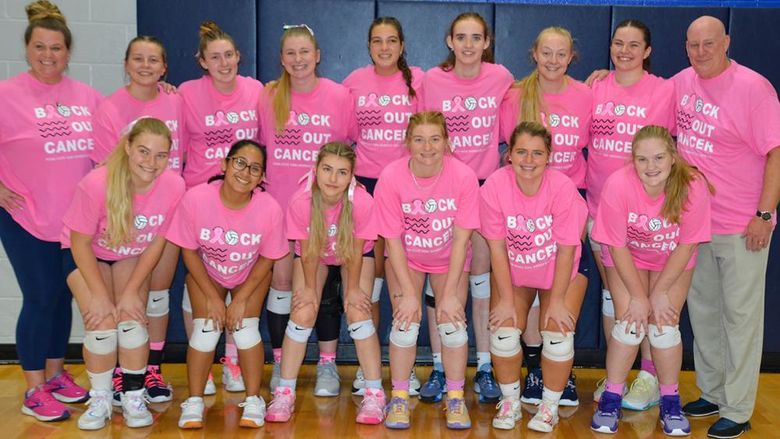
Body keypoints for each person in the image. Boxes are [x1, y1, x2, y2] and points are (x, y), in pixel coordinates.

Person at [673, 16, 780, 439]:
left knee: (740, 319)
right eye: (693, 45)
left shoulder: (754, 88)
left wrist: (765, 214)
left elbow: (776, 153)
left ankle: (737, 408)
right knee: (704, 314)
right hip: (697, 224)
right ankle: (713, 392)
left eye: (709, 44)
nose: (700, 53)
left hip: (743, 225)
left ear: (727, 42)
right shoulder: (682, 83)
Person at [0, 0, 102, 422]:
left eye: (56, 48)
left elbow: (124, 129)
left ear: (68, 51)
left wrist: (163, 91)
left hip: (73, 222)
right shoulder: (6, 96)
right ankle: (33, 388)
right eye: (40, 47)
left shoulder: (87, 97)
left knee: (63, 297)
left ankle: (57, 375)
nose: (48, 55)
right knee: (41, 297)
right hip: (25, 216)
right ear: (27, 49)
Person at [589, 125, 712, 436]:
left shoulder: (692, 186)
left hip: (671, 259)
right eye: (642, 160)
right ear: (632, 160)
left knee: (663, 327)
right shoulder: (619, 184)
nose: (651, 167)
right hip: (626, 257)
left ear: (673, 157)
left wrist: (657, 294)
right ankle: (612, 398)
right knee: (630, 324)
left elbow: (687, 245)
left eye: (658, 158)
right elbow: (615, 245)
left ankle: (670, 400)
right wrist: (638, 296)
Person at [62, 118, 184, 430]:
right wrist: (100, 297)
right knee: (101, 322)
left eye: (160, 155)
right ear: (128, 147)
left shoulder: (173, 185)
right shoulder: (97, 183)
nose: (151, 162)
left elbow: (157, 242)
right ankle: (101, 397)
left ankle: (133, 395)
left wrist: (131, 291)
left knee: (131, 318)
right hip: (85, 253)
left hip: (131, 254)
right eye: (143, 151)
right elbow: (80, 243)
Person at [419, 11, 512, 404]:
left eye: (477, 37)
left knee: (478, 284)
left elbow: (540, 86)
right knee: (439, 282)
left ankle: (485, 364)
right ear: (450, 42)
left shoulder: (501, 77)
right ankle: (440, 368)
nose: (469, 45)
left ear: (487, 42)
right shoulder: (431, 80)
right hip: (442, 187)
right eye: (462, 37)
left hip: (484, 187)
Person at [499, 25, 592, 408]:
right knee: (527, 285)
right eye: (547, 52)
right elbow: (514, 149)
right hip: (524, 199)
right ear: (534, 54)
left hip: (569, 199)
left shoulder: (587, 93)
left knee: (562, 288)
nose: (554, 60)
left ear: (572, 57)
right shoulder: (516, 95)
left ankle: (559, 374)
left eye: (562, 53)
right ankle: (534, 368)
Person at [259, 24, 354, 395]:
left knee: (326, 290)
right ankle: (284, 359)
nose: (298, 60)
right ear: (282, 59)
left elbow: (350, 148)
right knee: (284, 287)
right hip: (281, 210)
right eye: (290, 53)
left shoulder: (339, 96)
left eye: (304, 52)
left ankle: (328, 365)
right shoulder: (267, 97)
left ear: (317, 55)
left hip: (325, 209)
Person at [587, 20, 676, 411]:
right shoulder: (595, 87)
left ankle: (651, 376)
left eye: (634, 44)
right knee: (616, 298)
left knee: (652, 303)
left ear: (648, 50)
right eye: (618, 43)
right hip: (600, 210)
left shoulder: (664, 90)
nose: (625, 50)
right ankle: (617, 374)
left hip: (651, 218)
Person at [90, 35, 183, 405]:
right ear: (126, 64)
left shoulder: (175, 101)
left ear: (164, 68)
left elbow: (184, 155)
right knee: (129, 300)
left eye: (153, 60)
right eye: (138, 59)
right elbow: (103, 167)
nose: (146, 66)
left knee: (158, 295)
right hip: (128, 217)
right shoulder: (110, 108)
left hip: (168, 212)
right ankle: (120, 373)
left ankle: (152, 370)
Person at [168, 140, 287, 429]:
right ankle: (195, 400)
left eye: (255, 168)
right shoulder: (196, 199)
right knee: (206, 330)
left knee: (245, 330)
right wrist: (214, 298)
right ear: (224, 164)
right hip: (207, 273)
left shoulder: (269, 208)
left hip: (250, 274)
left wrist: (240, 299)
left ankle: (254, 399)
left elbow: (267, 260)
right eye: (239, 163)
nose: (245, 172)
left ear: (261, 178)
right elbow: (189, 252)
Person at [265, 142, 384, 425]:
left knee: (358, 311)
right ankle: (285, 392)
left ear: (352, 176)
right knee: (304, 310)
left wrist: (353, 289)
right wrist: (307, 288)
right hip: (315, 254)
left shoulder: (362, 202)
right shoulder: (300, 202)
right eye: (327, 169)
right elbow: (307, 252)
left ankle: (375, 394)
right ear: (315, 170)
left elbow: (356, 252)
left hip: (352, 253)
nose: (333, 178)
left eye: (342, 172)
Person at [375, 111, 480, 430]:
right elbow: (392, 242)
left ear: (447, 142)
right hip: (407, 257)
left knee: (452, 323)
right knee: (405, 323)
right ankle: (400, 398)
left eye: (435, 139)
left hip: (449, 257)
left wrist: (448, 295)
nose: (427, 147)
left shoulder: (463, 176)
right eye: (419, 140)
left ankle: (456, 397)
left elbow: (462, 241)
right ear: (407, 142)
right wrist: (408, 293)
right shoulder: (391, 177)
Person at [482, 121, 588, 432]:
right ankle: (511, 402)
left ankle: (549, 407)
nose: (529, 160)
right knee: (503, 330)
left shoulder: (562, 187)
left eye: (537, 153)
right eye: (522, 152)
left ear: (548, 156)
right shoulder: (495, 186)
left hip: (560, 266)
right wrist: (503, 301)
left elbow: (568, 249)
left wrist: (555, 302)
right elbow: (497, 248)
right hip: (517, 268)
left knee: (556, 332)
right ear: (510, 155)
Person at [178, 20, 263, 394]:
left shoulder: (257, 90)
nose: (224, 62)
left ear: (238, 57)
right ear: (203, 62)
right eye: (216, 57)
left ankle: (232, 361)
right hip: (201, 198)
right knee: (199, 281)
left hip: (244, 197)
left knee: (241, 279)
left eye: (229, 55)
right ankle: (205, 366)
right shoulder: (184, 94)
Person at [342, 16, 423, 396]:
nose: (385, 48)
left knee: (402, 279)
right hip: (369, 187)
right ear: (369, 46)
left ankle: (407, 365)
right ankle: (367, 366)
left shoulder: (420, 81)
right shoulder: (354, 84)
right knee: (369, 282)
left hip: (410, 186)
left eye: (392, 40)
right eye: (378, 41)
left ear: (402, 45)